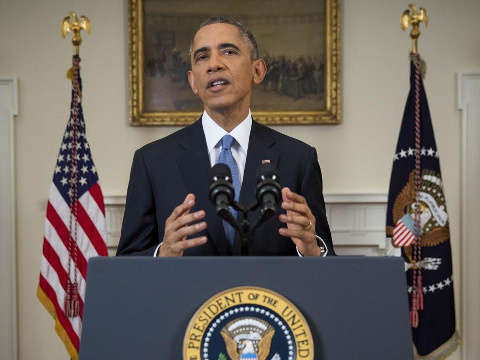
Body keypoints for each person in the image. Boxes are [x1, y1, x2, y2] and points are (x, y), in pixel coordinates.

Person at [117, 16, 335, 257]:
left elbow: (326, 270)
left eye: (228, 52)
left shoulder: (299, 159)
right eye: (202, 57)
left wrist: (311, 250)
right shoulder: (152, 161)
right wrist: (163, 253)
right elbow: (127, 263)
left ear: (258, 70)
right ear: (193, 81)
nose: (214, 65)